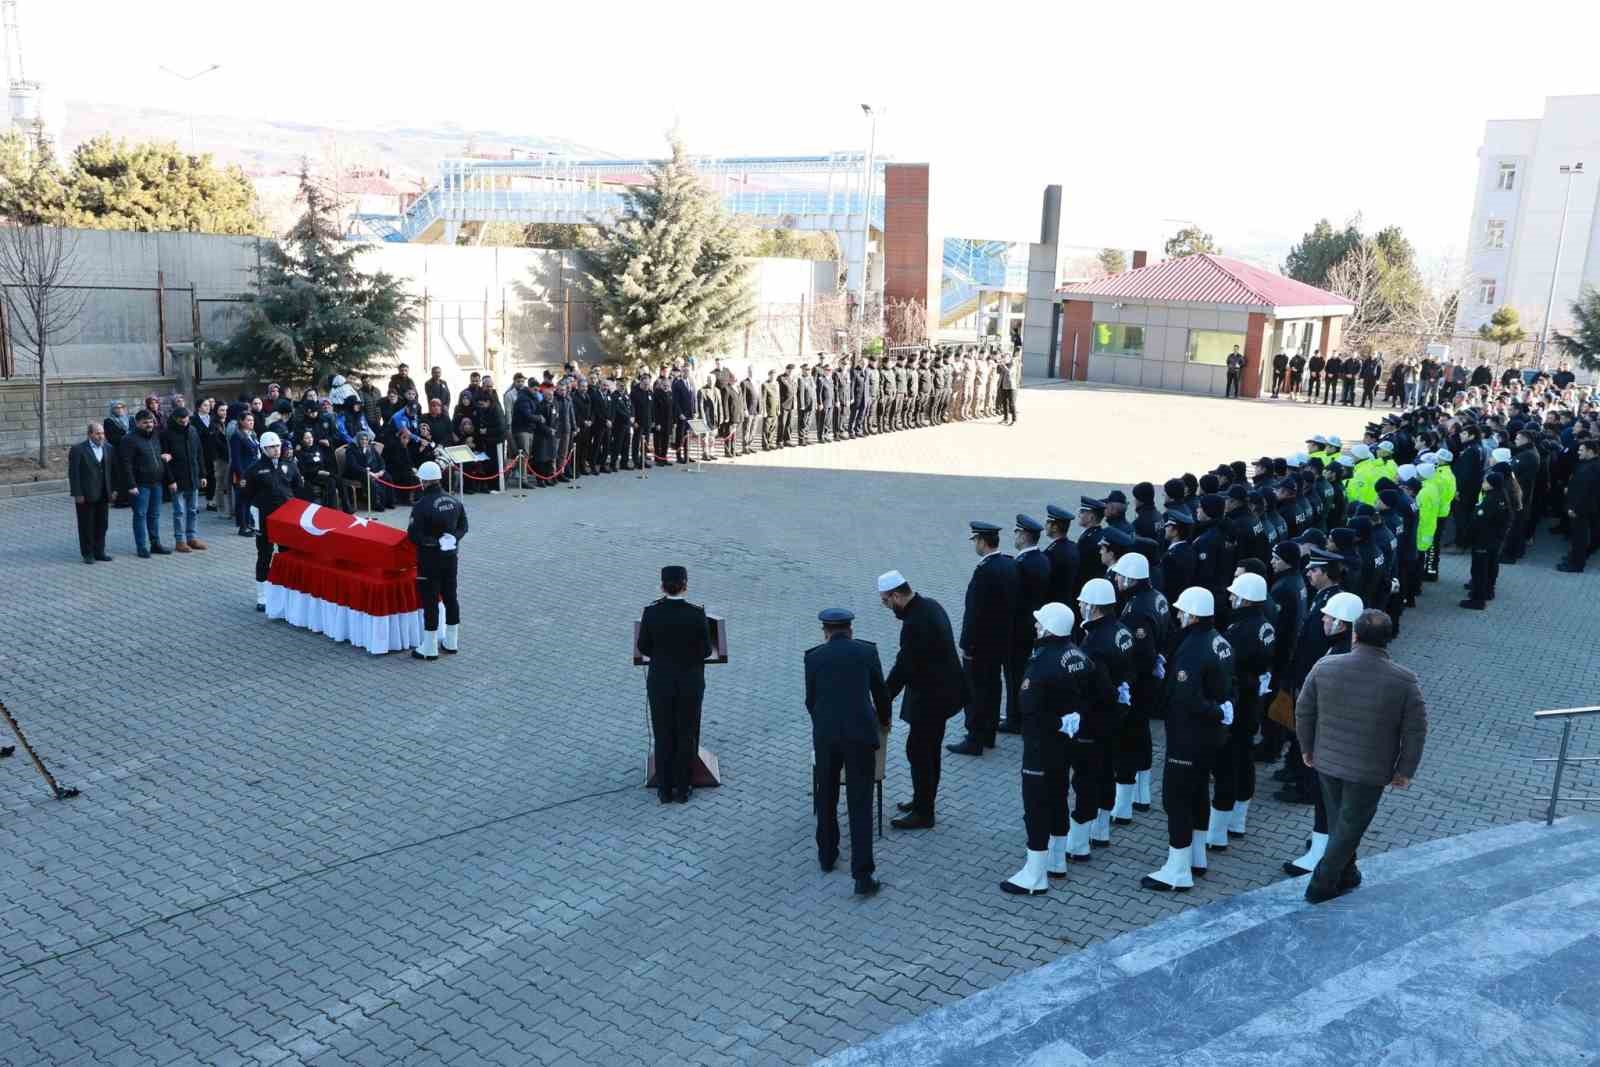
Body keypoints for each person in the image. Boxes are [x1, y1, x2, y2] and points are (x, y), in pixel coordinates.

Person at [1294, 609, 1427, 902]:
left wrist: (1306, 748)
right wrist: (1405, 770)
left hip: (1326, 763)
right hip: (1370, 771)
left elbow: (1304, 711)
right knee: (1349, 827)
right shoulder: (1404, 681)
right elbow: (1415, 731)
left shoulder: (1325, 666)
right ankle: (1321, 884)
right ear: (1388, 639)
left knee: (1341, 823)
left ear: (1354, 635)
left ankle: (1347, 873)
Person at [1002, 602, 1108, 895]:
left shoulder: (1042, 661)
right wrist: (1076, 716)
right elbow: (1100, 693)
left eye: (1040, 623)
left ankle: (1035, 874)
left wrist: (1058, 721)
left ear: (1049, 628)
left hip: (1041, 744)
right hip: (1066, 745)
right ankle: (1057, 859)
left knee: (1036, 805)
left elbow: (1028, 707)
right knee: (1059, 796)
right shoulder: (1079, 655)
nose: (1036, 626)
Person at [1141, 587, 1233, 892]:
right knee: (1196, 795)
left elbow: (1185, 697)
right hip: (1209, 737)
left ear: (1193, 615)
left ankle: (1177, 870)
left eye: (1182, 611)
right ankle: (1196, 857)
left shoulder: (1193, 648)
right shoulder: (1219, 640)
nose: (1179, 615)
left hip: (1189, 735)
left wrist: (1215, 711)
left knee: (1176, 798)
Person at [805, 608, 891, 897]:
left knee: (826, 795)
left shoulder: (814, 656)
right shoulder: (867, 652)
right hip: (860, 737)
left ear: (825, 632)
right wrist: (884, 721)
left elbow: (811, 700)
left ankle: (827, 855)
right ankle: (863, 876)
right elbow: (880, 693)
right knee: (860, 803)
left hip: (827, 737)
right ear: (850, 630)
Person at [878, 570, 966, 830]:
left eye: (886, 601)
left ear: (896, 595)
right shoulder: (929, 605)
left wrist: (883, 697)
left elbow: (903, 666)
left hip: (932, 698)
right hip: (942, 693)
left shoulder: (915, 622)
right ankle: (922, 800)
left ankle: (924, 812)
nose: (887, 606)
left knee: (920, 752)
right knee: (927, 751)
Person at [637, 565, 713, 803]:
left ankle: (664, 788)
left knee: (663, 732)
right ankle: (683, 788)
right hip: (690, 682)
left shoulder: (651, 613)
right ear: (685, 585)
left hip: (660, 682)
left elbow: (643, 647)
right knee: (686, 732)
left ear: (662, 586)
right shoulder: (696, 613)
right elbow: (706, 650)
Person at [949, 521, 1019, 756]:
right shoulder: (1009, 564)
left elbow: (974, 613)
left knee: (975, 691)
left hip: (980, 644)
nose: (975, 545)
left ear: (982, 541)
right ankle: (988, 733)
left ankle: (974, 738)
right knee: (992, 687)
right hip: (1000, 642)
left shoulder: (985, 571)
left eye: (976, 541)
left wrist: (967, 644)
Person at [406, 461, 467, 660]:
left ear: (423, 481)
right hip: (450, 558)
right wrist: (452, 538)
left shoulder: (421, 506)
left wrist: (433, 542)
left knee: (430, 600)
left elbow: (414, 535)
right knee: (451, 597)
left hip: (430, 560)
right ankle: (451, 641)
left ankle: (430, 646)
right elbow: (463, 527)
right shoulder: (455, 501)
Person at [241, 431, 302, 611]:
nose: (275, 450)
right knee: (264, 555)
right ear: (263, 448)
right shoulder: (254, 470)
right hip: (264, 519)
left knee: (287, 556)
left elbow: (298, 488)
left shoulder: (290, 466)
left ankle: (287, 592)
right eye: (271, 447)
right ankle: (263, 596)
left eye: (277, 446)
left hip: (286, 521)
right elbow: (246, 495)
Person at [1002, 514, 1051, 735]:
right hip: (1033, 626)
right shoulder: (1041, 559)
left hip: (1017, 629)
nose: (1014, 536)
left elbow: (1013, 600)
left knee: (1014, 676)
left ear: (1023, 536)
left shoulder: (1021, 564)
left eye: (1016, 532)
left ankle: (1014, 718)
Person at [119, 408, 173, 558]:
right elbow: (126, 464)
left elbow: (160, 456)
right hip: (140, 485)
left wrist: (169, 479)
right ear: (137, 423)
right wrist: (131, 485)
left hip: (156, 483)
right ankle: (141, 546)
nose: (149, 424)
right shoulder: (129, 440)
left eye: (151, 421)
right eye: (145, 422)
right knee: (140, 515)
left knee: (154, 515)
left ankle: (155, 544)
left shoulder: (155, 436)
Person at [68, 421, 114, 564]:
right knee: (86, 525)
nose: (101, 436)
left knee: (102, 524)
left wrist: (114, 490)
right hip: (86, 494)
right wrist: (77, 493)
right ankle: (87, 553)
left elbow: (113, 471)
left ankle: (99, 551)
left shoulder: (109, 448)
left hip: (103, 493)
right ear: (89, 434)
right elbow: (73, 473)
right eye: (97, 433)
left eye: (102, 433)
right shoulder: (78, 449)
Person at [1559, 438, 1600, 572]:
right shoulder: (1587, 464)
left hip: (1580, 509)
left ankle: (1576, 564)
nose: (1578, 452)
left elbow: (1585, 492)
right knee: (1577, 537)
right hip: (1580, 507)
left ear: (1590, 451)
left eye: (1581, 450)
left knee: (1579, 537)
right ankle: (1574, 558)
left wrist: (1574, 508)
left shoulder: (1592, 468)